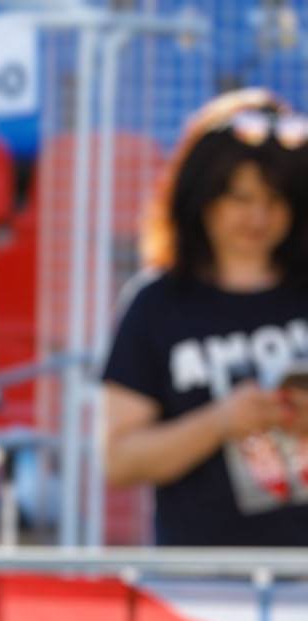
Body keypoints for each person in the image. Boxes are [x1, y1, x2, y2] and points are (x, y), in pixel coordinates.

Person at [102, 88, 308, 546]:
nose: (259, 216)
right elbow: (120, 460)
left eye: (277, 199)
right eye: (239, 197)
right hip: (201, 588)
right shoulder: (156, 305)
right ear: (201, 198)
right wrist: (222, 422)